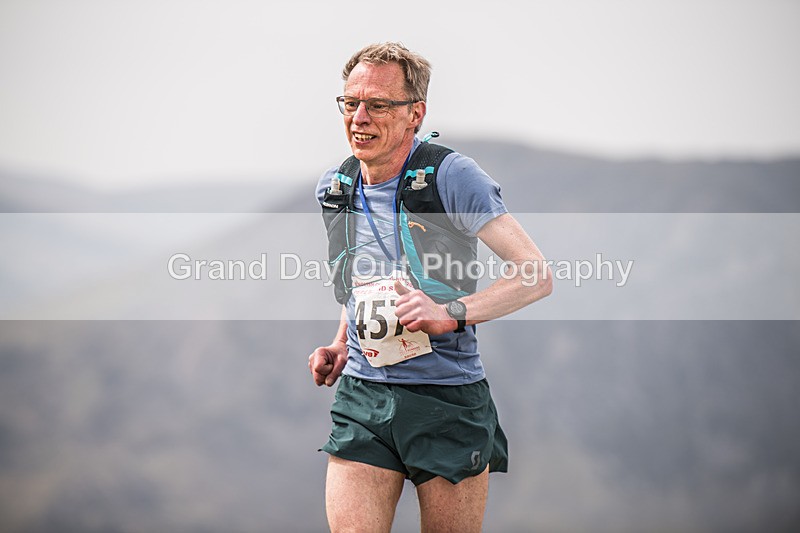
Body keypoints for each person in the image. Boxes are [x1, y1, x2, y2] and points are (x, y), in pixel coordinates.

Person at [308, 42, 552, 532]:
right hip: (363, 396)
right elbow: (363, 281)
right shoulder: (336, 186)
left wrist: (450, 312)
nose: (359, 117)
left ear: (415, 114)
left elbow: (535, 275)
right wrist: (340, 343)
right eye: (351, 102)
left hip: (446, 401)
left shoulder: (451, 176)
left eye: (378, 105)